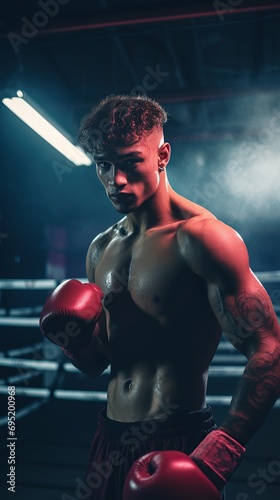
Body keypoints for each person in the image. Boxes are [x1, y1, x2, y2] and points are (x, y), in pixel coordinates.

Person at [40, 94, 280, 500]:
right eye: (103, 165)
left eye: (131, 161)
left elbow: (269, 348)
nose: (116, 179)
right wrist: (76, 340)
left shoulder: (203, 239)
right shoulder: (100, 250)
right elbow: (99, 363)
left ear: (162, 155)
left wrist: (216, 456)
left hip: (179, 440)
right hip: (108, 438)